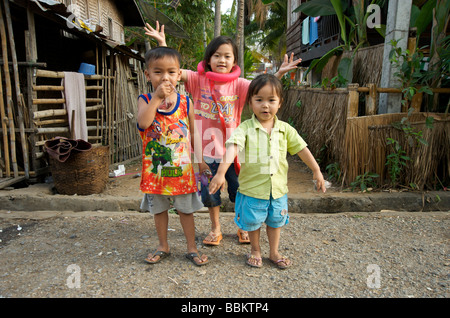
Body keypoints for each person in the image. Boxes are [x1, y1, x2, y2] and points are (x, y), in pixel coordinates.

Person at [145, 22, 302, 246]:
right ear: (208, 59)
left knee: (241, 191)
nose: (222, 60)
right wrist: (162, 44)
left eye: (227, 56)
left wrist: (278, 73)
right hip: (203, 153)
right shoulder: (198, 80)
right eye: (217, 55)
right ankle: (215, 228)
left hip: (235, 151)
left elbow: (262, 89)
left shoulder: (239, 85)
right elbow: (171, 70)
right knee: (210, 194)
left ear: (234, 62)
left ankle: (243, 227)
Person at [209, 74, 327, 269]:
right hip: (252, 189)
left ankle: (274, 252)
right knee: (253, 223)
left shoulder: (285, 130)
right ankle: (255, 250)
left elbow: (302, 149)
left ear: (280, 103)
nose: (266, 105)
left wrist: (316, 170)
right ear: (250, 103)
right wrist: (221, 173)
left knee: (275, 221)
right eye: (259, 100)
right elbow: (232, 148)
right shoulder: (244, 128)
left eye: (271, 100)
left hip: (278, 189)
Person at [137, 46, 209, 266]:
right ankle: (163, 246)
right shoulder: (145, 99)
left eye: (171, 72)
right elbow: (143, 123)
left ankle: (191, 248)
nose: (165, 77)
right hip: (155, 172)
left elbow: (195, 133)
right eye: (158, 72)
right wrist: (157, 99)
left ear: (179, 75)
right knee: (159, 210)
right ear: (148, 75)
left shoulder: (186, 102)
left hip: (182, 171)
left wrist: (201, 162)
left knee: (186, 210)